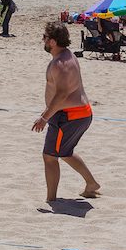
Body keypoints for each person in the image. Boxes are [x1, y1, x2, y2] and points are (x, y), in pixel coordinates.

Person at [33, 21, 101, 203]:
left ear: (53, 41)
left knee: (49, 156)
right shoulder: (67, 55)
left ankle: (51, 199)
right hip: (79, 113)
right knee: (64, 152)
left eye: (45, 37)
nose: (43, 40)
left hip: (69, 116)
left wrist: (44, 117)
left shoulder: (60, 64)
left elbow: (62, 94)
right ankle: (92, 183)